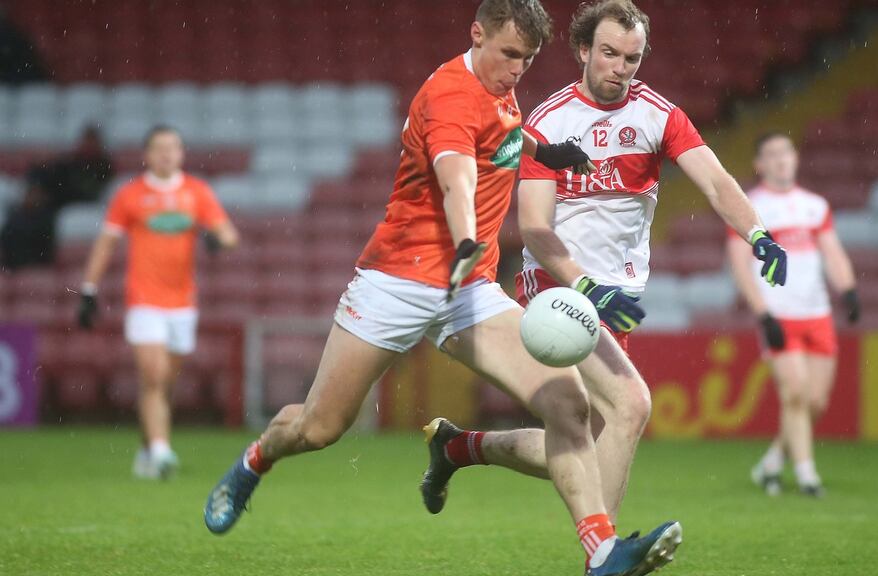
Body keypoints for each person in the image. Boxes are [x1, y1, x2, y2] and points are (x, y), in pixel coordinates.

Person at [202, 2, 681, 574]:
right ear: (475, 34)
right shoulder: (449, 98)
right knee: (319, 427)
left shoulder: (500, 82)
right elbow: (458, 179)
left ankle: (601, 552)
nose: (515, 70)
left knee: (569, 405)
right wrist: (464, 241)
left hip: (469, 290)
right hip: (399, 281)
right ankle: (256, 459)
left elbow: (501, 128)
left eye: (526, 60)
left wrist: (541, 150)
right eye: (507, 55)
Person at [419, 0, 787, 538]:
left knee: (580, 448)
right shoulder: (549, 121)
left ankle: (458, 447)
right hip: (558, 291)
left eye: (632, 58)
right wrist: (587, 286)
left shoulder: (657, 115)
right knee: (633, 406)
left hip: (616, 299)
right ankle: (604, 554)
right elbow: (536, 229)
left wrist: (757, 232)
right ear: (584, 50)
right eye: (610, 53)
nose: (620, 67)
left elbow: (715, 181)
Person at [78, 125, 239, 479]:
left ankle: (147, 447)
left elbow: (228, 234)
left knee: (163, 384)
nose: (167, 154)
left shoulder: (196, 192)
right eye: (160, 148)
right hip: (144, 300)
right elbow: (106, 243)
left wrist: (217, 240)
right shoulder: (129, 195)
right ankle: (164, 453)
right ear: (146, 155)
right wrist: (88, 289)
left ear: (181, 154)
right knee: (153, 376)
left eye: (173, 148)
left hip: (183, 304)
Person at [727, 132, 860, 497]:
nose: (781, 160)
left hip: (817, 312)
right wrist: (762, 313)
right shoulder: (749, 207)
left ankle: (772, 462)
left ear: (795, 158)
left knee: (816, 401)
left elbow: (832, 252)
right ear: (759, 165)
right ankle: (806, 474)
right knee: (796, 394)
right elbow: (739, 262)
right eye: (772, 154)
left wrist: (847, 289)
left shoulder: (814, 206)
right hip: (779, 312)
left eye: (786, 152)